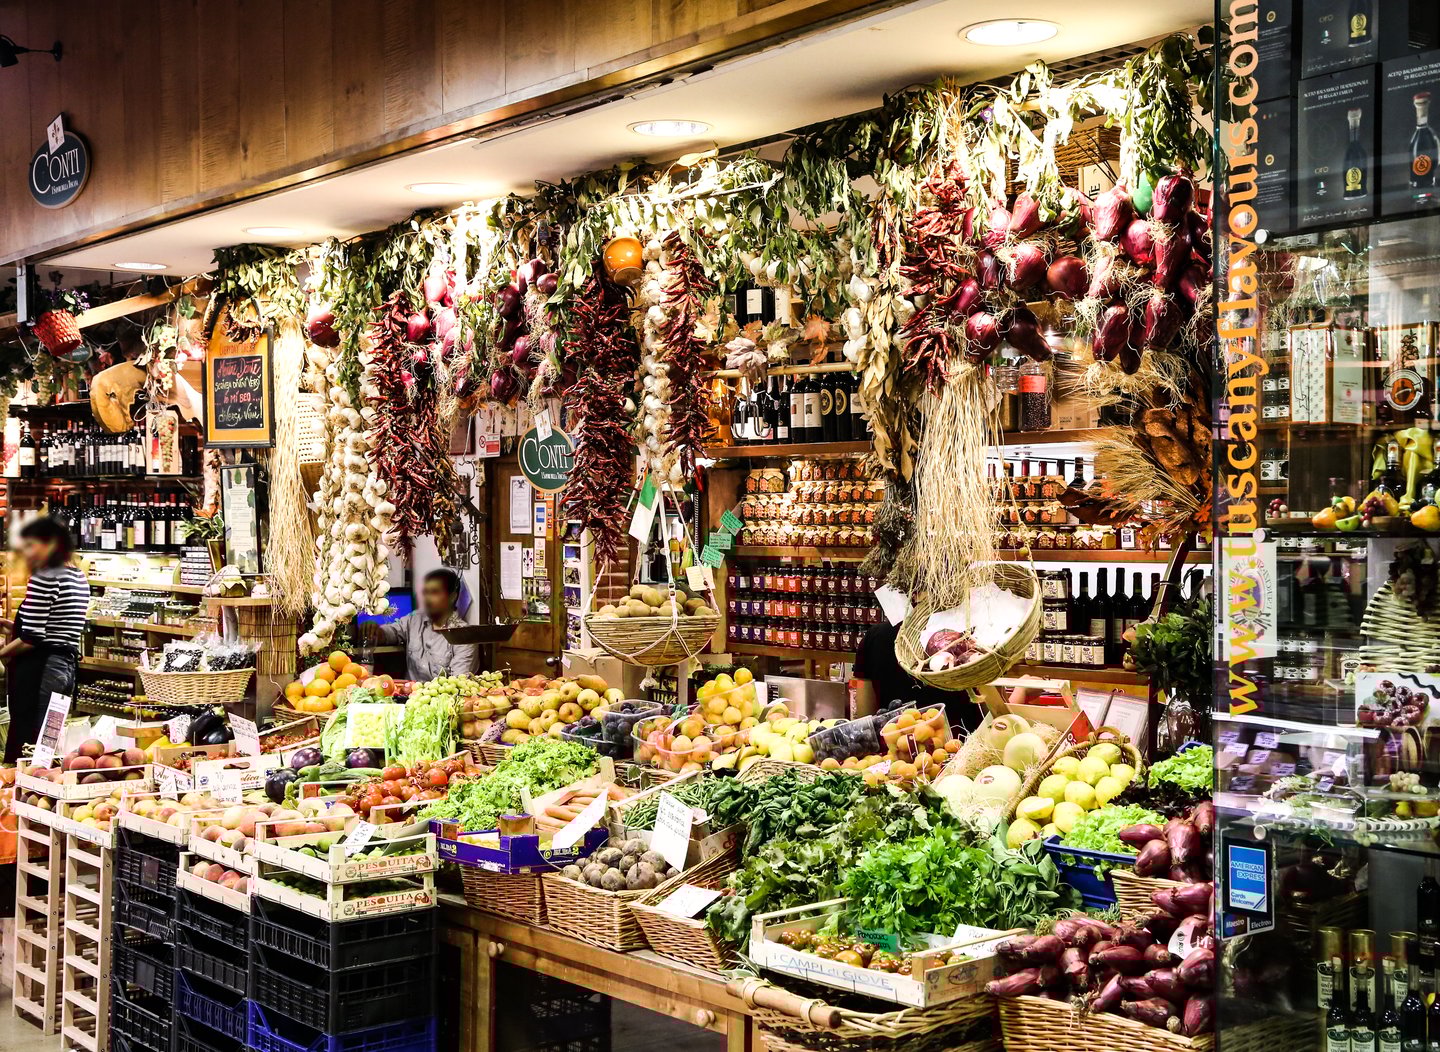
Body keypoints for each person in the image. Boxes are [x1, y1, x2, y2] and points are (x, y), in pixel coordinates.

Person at [2, 517, 89, 764]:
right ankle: (42, 792)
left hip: (41, 667)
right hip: (65, 667)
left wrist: (2, 653)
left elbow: (32, 638)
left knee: (29, 737)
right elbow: (58, 625)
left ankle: (18, 793)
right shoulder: (77, 576)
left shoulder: (45, 576)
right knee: (48, 739)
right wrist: (11, 626)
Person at [851, 621, 984, 736]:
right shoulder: (965, 638)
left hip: (895, 749)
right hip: (959, 746)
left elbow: (865, 718)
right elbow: (987, 700)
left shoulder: (875, 636)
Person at [361, 568, 477, 681]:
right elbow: (392, 632)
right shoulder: (415, 619)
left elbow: (458, 683)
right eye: (426, 592)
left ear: (452, 597)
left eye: (435, 593)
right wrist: (375, 630)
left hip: (440, 698)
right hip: (408, 694)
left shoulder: (463, 636)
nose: (427, 599)